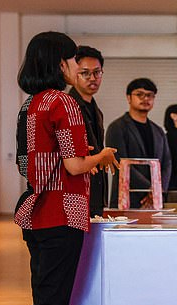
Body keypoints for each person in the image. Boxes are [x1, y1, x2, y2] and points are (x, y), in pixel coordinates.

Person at [14, 31, 118, 305]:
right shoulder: (64, 103)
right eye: (74, 61)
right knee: (50, 304)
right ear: (61, 63)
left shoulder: (31, 104)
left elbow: (30, 162)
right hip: (64, 212)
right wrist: (101, 155)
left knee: (49, 301)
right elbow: (75, 165)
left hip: (37, 211)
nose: (79, 68)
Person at [105, 78, 171, 209]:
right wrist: (150, 189)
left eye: (149, 95)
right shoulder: (117, 127)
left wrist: (158, 189)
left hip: (155, 202)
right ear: (128, 98)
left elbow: (167, 163)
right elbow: (121, 163)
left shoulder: (158, 131)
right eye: (139, 94)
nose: (145, 98)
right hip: (127, 200)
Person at [68, 45, 107, 217]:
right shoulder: (68, 106)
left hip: (95, 193)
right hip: (75, 193)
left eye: (97, 72)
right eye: (85, 73)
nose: (93, 78)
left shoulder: (96, 110)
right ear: (73, 73)